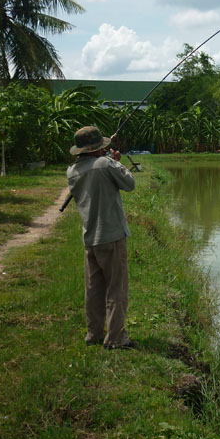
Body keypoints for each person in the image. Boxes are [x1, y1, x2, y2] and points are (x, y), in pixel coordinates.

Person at [67, 126, 136, 349]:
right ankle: (116, 338)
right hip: (112, 236)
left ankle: (93, 333)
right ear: (98, 147)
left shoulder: (73, 171)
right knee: (116, 288)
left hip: (90, 239)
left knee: (94, 289)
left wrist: (108, 160)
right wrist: (116, 161)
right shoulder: (106, 165)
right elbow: (129, 183)